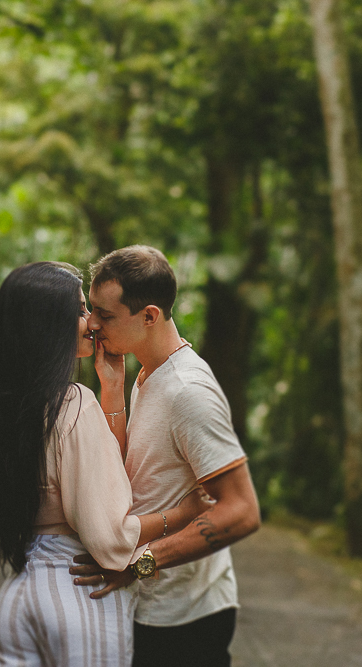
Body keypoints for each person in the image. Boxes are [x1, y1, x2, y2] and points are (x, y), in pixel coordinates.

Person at [0, 261, 208, 666]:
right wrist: (184, 513)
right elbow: (110, 539)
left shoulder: (9, 403)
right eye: (83, 310)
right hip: (75, 591)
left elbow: (80, 477)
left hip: (17, 597)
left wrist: (111, 392)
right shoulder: (72, 403)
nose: (93, 323)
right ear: (52, 321)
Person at [70, 246, 262, 667]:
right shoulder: (148, 371)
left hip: (186, 618)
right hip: (151, 607)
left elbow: (242, 510)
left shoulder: (188, 391)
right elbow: (129, 473)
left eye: (106, 315)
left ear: (149, 316)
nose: (93, 325)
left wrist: (140, 563)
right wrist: (112, 390)